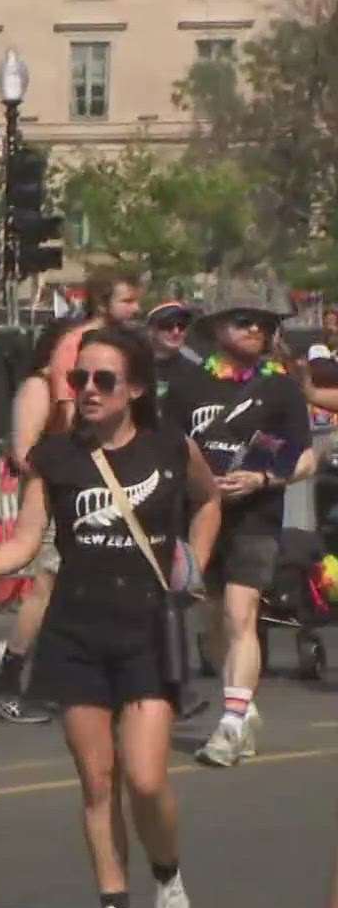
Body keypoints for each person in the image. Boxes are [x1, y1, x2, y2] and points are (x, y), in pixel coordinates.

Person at [0, 325, 216, 908]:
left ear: (135, 388)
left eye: (103, 380)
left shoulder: (170, 447)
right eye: (78, 379)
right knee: (97, 782)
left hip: (147, 629)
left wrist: (194, 562)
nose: (86, 390)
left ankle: (168, 884)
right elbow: (25, 544)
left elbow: (208, 500)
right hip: (77, 631)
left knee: (145, 780)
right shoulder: (56, 458)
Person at [164, 291, 314, 766]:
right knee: (211, 625)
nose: (257, 330)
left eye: (266, 324)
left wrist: (265, 477)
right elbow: (165, 448)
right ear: (218, 328)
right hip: (200, 518)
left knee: (239, 613)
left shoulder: (281, 387)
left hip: (256, 514)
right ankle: (243, 706)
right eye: (246, 320)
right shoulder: (187, 385)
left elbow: (305, 454)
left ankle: (229, 726)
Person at [0, 317, 83, 725]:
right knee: (44, 587)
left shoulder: (78, 392)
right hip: (51, 499)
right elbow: (25, 453)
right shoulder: (39, 388)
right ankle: (7, 677)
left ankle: (58, 675)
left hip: (80, 499)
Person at [46, 267, 144, 428]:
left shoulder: (132, 342)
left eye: (137, 302)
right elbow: (68, 410)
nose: (136, 309)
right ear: (101, 305)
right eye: (127, 302)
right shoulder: (73, 344)